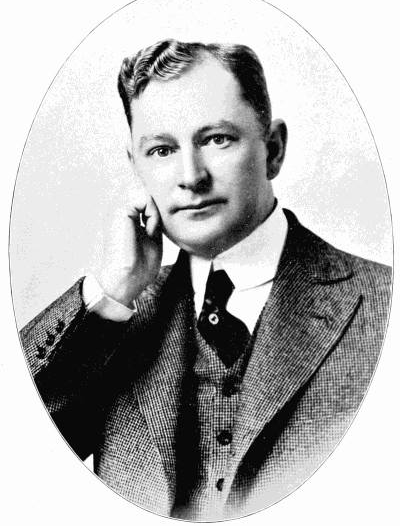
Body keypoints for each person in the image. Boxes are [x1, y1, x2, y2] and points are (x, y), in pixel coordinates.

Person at [20, 39, 391, 521]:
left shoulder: (383, 303)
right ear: (136, 166)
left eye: (217, 139)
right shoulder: (114, 316)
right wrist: (110, 294)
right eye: (161, 150)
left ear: (273, 149)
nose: (190, 176)